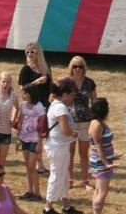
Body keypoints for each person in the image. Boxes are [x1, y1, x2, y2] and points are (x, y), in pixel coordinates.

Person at [43, 77, 79, 214]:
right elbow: (65, 130)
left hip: (58, 146)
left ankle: (66, 205)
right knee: (57, 176)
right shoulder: (61, 108)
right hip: (58, 147)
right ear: (65, 93)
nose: (72, 98)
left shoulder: (56, 104)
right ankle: (48, 207)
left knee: (63, 176)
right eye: (72, 95)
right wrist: (74, 134)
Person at [67, 56, 98, 190]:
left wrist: (96, 120)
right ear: (71, 68)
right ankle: (69, 179)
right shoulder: (66, 83)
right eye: (75, 67)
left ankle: (85, 180)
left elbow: (95, 102)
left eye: (80, 67)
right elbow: (55, 98)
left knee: (84, 153)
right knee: (70, 152)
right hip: (70, 121)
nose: (77, 69)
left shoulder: (89, 83)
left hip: (85, 122)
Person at [13, 85, 45, 201]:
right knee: (28, 167)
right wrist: (17, 140)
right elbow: (20, 122)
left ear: (32, 94)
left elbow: (41, 127)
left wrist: (40, 144)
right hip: (24, 139)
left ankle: (37, 193)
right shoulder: (23, 106)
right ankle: (30, 190)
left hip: (34, 140)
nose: (23, 95)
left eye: (26, 93)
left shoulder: (39, 107)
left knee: (32, 167)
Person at [87, 98, 116, 214]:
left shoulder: (99, 122)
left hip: (101, 159)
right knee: (103, 192)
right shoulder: (97, 124)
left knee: (99, 190)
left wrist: (112, 157)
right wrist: (107, 163)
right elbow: (98, 146)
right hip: (100, 161)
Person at [19, 42, 54, 107]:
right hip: (33, 103)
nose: (29, 54)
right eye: (27, 52)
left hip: (46, 103)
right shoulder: (26, 69)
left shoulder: (46, 67)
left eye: (32, 52)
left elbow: (50, 85)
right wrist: (37, 82)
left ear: (38, 53)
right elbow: (22, 89)